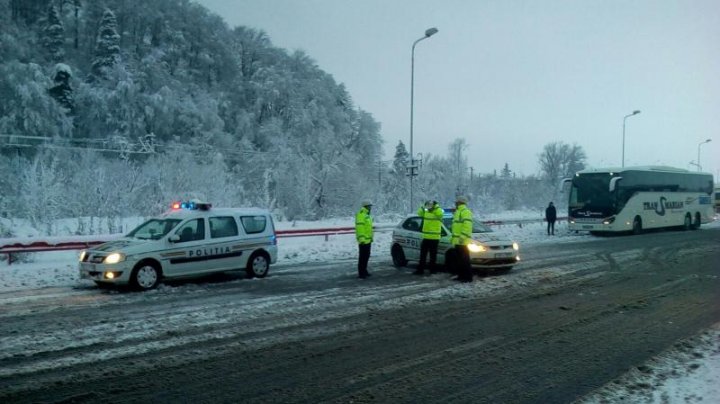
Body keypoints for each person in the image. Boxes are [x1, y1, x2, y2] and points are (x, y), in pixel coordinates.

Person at [414, 200, 444, 275]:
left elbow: (440, 214)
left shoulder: (438, 210)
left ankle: (432, 270)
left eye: (430, 206)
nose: (429, 207)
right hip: (426, 237)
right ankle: (420, 270)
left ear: (434, 205)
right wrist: (423, 207)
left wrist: (435, 208)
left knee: (432, 256)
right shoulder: (426, 211)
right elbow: (419, 213)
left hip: (434, 238)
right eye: (428, 206)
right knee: (423, 255)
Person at [451, 195, 474, 283]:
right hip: (457, 241)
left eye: (456, 202)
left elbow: (467, 226)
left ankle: (468, 277)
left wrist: (462, 237)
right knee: (460, 260)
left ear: (460, 202)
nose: (455, 203)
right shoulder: (458, 212)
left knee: (465, 260)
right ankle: (461, 276)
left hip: (462, 241)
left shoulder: (465, 212)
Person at [355, 200, 374, 279]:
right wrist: (362, 239)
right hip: (363, 241)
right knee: (362, 257)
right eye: (369, 206)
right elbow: (360, 228)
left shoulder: (367, 215)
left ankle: (364, 270)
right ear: (366, 206)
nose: (370, 208)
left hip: (368, 240)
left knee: (366, 256)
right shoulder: (361, 215)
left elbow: (368, 228)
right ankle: (361, 272)